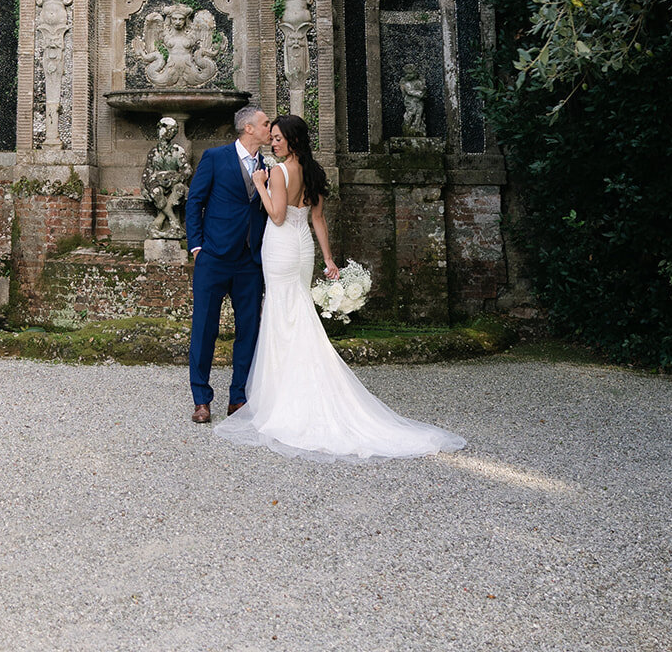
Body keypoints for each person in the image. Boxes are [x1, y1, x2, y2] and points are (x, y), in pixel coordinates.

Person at [214, 115, 466, 462]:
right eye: (271, 138)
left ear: (292, 141)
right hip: (303, 250)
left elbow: (276, 216)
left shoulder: (277, 172)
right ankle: (300, 386)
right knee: (297, 311)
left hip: (281, 247)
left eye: (277, 139)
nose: (273, 144)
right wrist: (329, 260)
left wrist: (259, 182)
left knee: (281, 315)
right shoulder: (314, 172)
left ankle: (284, 398)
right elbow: (317, 219)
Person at [185, 104, 274, 424]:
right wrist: (197, 246)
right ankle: (201, 399)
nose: (269, 129)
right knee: (204, 328)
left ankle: (238, 397)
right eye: (265, 124)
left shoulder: (268, 164)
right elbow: (195, 201)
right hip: (214, 258)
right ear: (248, 128)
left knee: (248, 330)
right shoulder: (215, 158)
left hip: (250, 261)